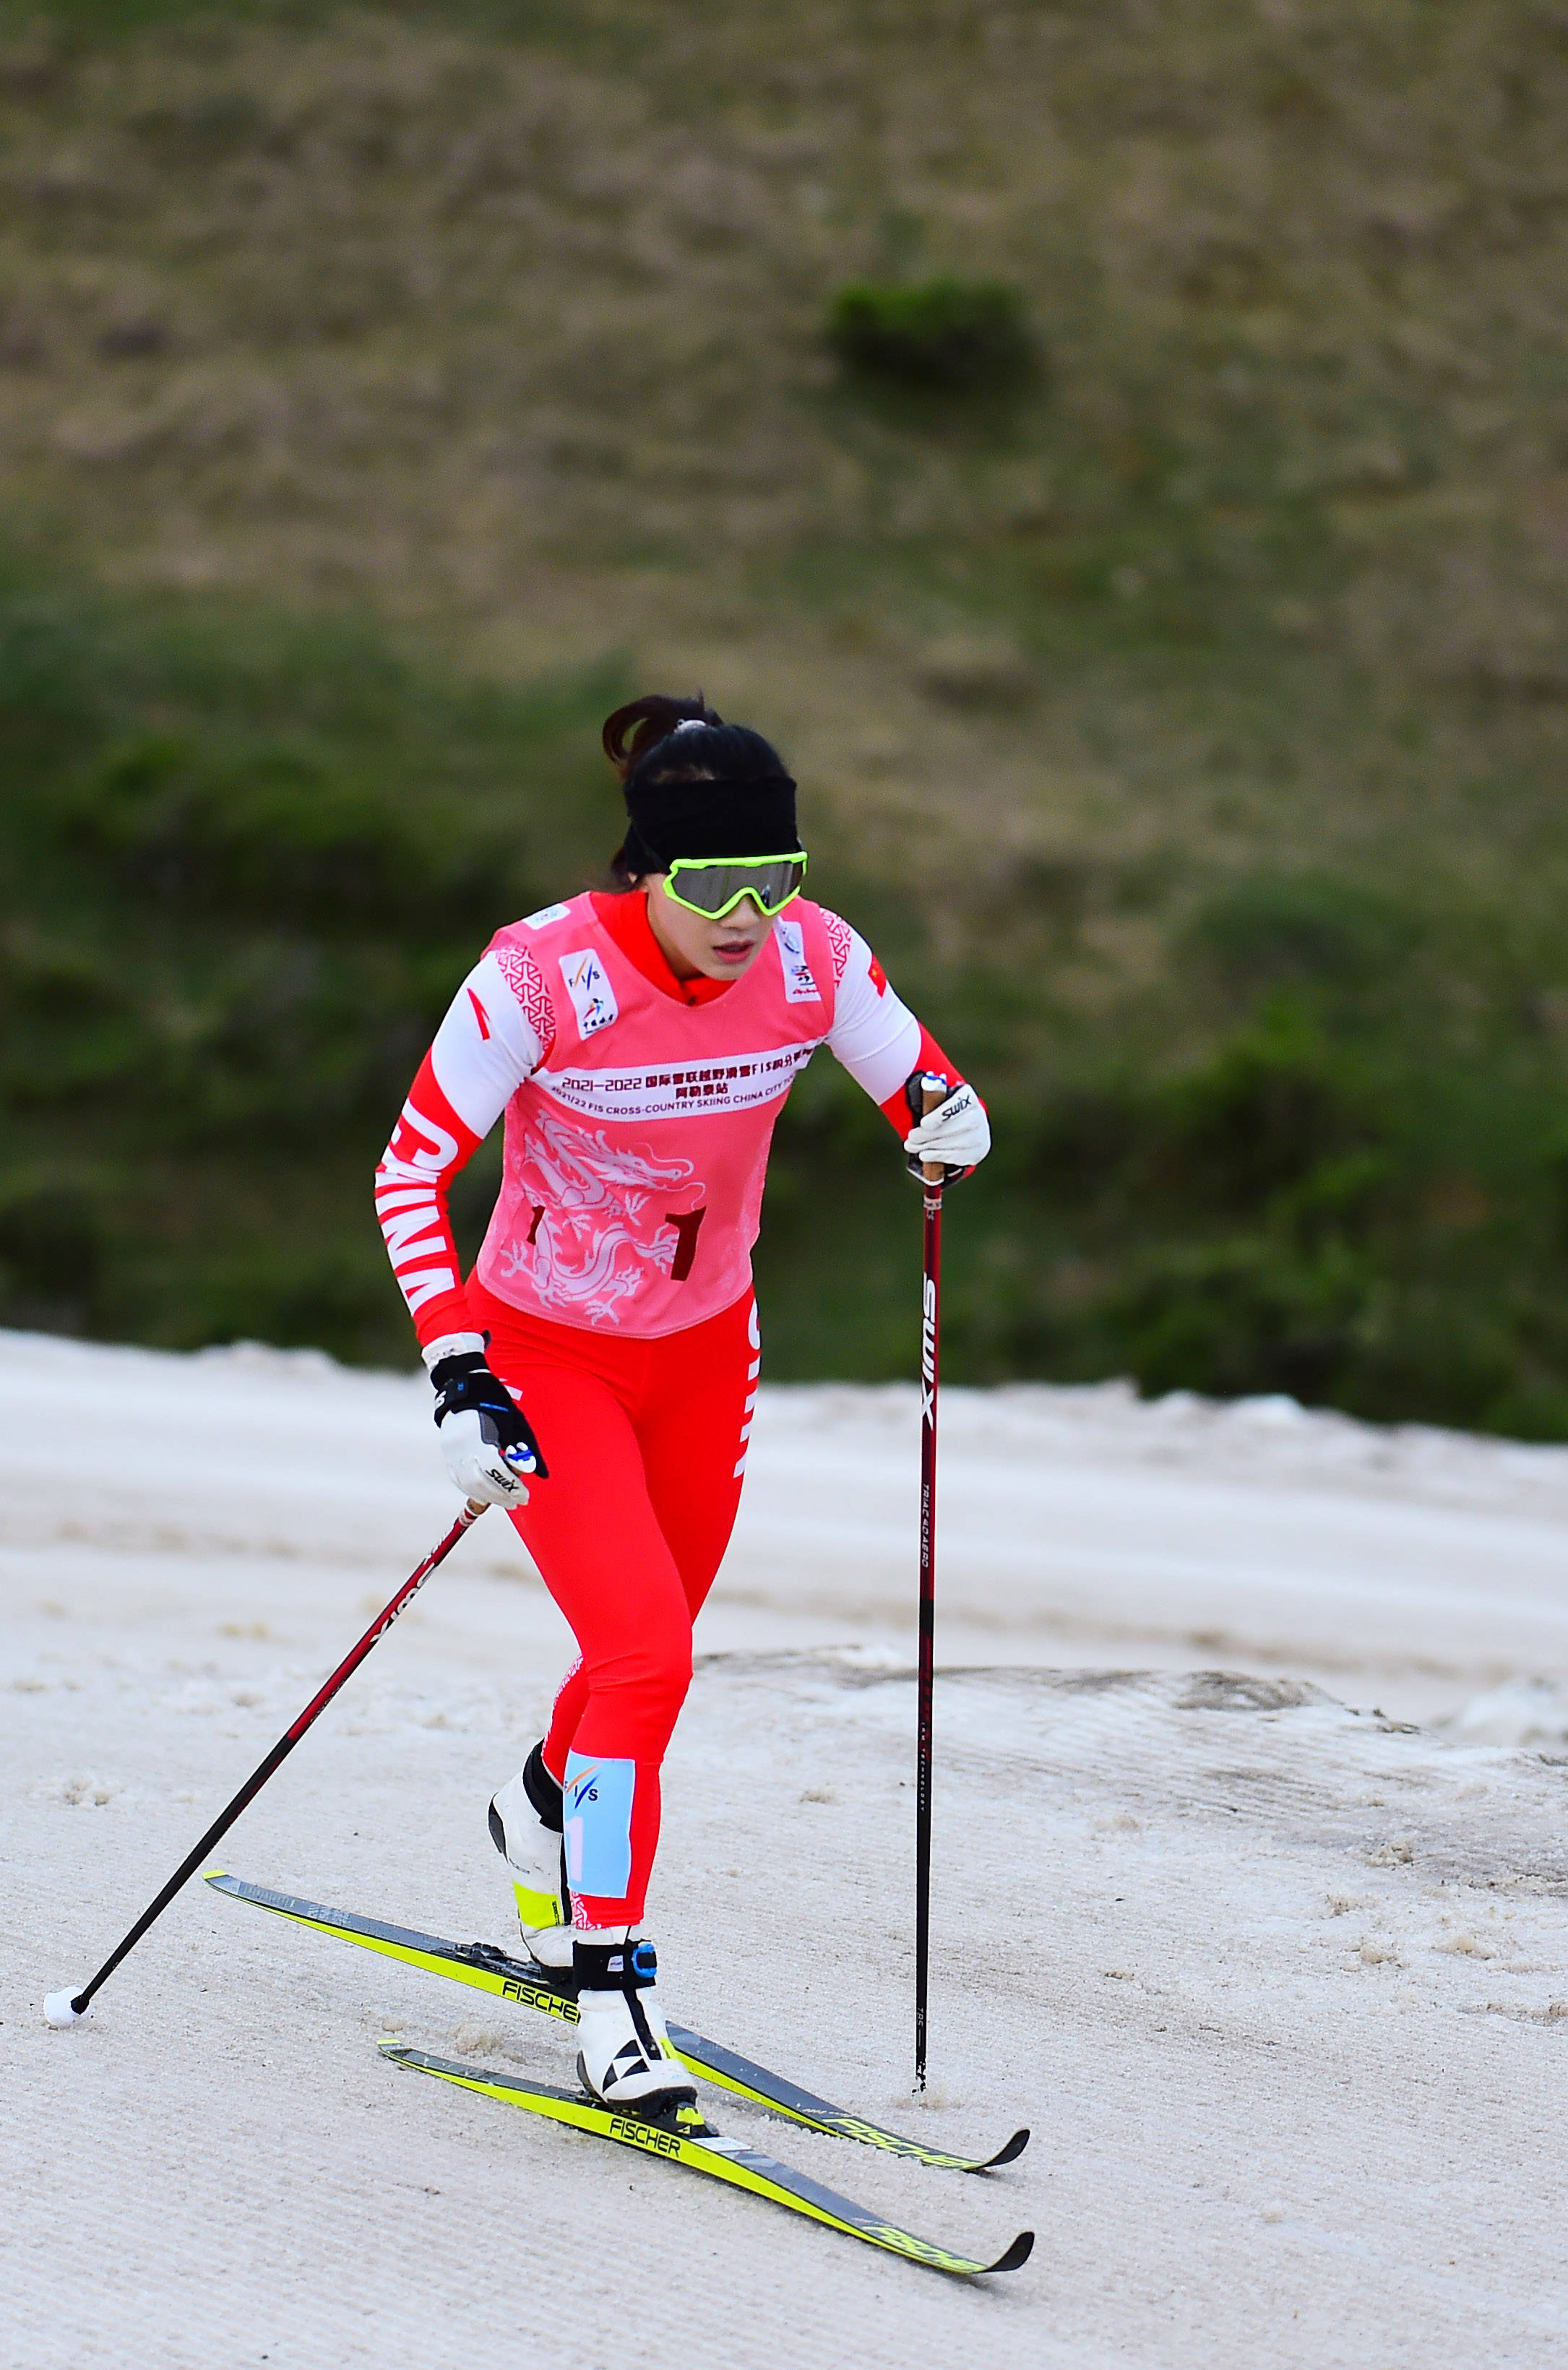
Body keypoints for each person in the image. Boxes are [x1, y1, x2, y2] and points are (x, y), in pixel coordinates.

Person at [369, 694, 991, 2111]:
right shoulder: (533, 978)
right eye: (714, 884)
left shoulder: (812, 958)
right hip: (547, 1350)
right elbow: (411, 1172)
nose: (749, 913)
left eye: (777, 878)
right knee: (648, 1654)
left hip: (706, 1349)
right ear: (644, 867)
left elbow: (928, 1089)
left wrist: (948, 1124)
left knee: (638, 1648)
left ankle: (540, 1809)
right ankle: (611, 1987)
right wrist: (457, 1372)